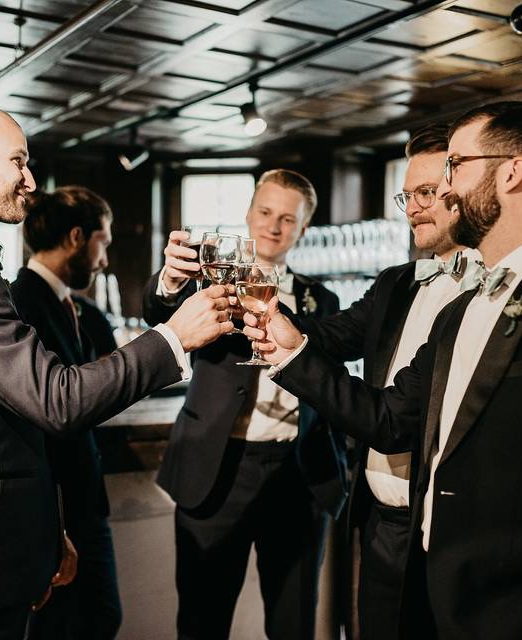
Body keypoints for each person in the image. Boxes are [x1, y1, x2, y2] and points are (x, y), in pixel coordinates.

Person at [247, 101, 522, 640]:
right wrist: (289, 347)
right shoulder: (460, 311)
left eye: (456, 166)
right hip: (443, 596)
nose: (444, 190)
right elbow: (392, 418)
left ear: (512, 171)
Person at [0, 99, 233, 639]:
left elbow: (4, 423)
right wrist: (173, 337)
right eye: (18, 161)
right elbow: (56, 399)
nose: (30, 178)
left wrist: (45, 530)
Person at [285, 123, 474, 640]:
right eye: (407, 195)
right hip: (380, 526)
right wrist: (260, 312)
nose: (412, 208)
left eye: (427, 194)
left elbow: (393, 418)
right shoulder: (396, 281)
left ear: (465, 194)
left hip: (444, 532)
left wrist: (289, 352)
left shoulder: (486, 294)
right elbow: (328, 335)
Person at [142, 169, 344, 640]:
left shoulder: (323, 300)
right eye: (266, 212)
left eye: (288, 219)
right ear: (249, 213)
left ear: (302, 229)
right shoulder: (215, 285)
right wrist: (172, 278)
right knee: (202, 621)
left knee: (294, 622)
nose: (273, 227)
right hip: (217, 469)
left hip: (299, 474)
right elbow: (157, 309)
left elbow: (329, 381)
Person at [9, 186, 123, 639]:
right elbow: (40, 412)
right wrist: (52, 524)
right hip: (54, 506)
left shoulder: (80, 309)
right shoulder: (21, 303)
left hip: (85, 499)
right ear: (78, 236)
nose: (105, 259)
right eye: (104, 243)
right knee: (59, 629)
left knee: (100, 619)